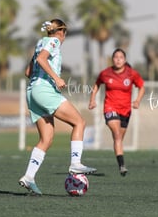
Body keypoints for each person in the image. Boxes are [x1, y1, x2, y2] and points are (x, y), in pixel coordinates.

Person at [19, 19, 96, 195]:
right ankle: (76, 164)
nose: (64, 37)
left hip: (32, 93)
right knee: (79, 122)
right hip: (44, 91)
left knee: (47, 138)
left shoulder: (40, 43)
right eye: (65, 33)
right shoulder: (53, 41)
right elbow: (41, 59)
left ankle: (29, 177)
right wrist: (56, 78)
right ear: (60, 32)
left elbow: (28, 72)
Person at [88, 48, 145, 176]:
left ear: (124, 60)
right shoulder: (105, 73)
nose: (118, 59)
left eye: (121, 57)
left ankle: (119, 159)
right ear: (112, 59)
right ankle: (122, 166)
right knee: (117, 134)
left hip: (125, 110)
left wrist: (137, 101)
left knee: (118, 138)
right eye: (116, 57)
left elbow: (141, 87)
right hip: (110, 107)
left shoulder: (132, 74)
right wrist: (92, 100)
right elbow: (97, 84)